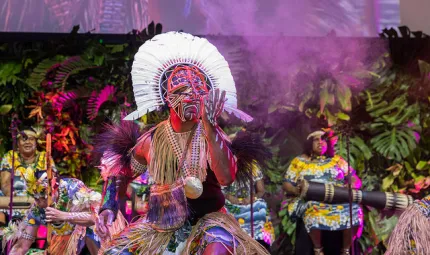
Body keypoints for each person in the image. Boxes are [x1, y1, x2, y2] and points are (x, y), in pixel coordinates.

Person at [95, 32, 268, 255]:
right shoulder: (151, 141)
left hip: (208, 223)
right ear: (167, 97)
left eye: (199, 91)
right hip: (159, 226)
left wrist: (210, 125)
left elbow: (226, 177)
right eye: (183, 91)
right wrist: (108, 207)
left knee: (219, 247)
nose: (192, 96)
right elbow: (120, 174)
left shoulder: (213, 135)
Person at [283, 130, 363, 255]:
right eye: (316, 140)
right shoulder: (299, 161)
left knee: (354, 210)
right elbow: (287, 184)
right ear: (310, 144)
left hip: (337, 200)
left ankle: (346, 250)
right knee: (313, 207)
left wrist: (352, 184)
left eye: (324, 139)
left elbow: (354, 178)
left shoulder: (337, 160)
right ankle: (318, 249)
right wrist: (296, 190)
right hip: (311, 200)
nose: (320, 142)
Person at [8, 165, 102, 255]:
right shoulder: (37, 209)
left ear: (55, 188)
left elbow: (94, 218)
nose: (40, 203)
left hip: (90, 236)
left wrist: (63, 215)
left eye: (44, 197)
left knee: (91, 230)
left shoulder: (72, 187)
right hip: (64, 244)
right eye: (36, 198)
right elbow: (22, 246)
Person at [0, 128, 56, 225]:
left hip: (40, 200)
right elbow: (5, 184)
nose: (28, 142)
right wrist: (17, 201)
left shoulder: (45, 157)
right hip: (14, 200)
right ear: (18, 143)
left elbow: (52, 183)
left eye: (31, 139)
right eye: (24, 139)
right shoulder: (10, 156)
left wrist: (39, 200)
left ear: (36, 142)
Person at [223, 163, 275, 250]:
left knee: (261, 207)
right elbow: (218, 191)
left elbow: (261, 191)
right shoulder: (225, 163)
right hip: (231, 206)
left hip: (250, 205)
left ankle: (262, 244)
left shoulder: (253, 166)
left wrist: (253, 197)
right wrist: (228, 197)